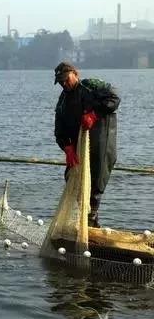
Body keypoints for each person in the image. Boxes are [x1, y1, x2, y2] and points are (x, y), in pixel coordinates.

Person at [53, 62, 120, 227]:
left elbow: (114, 98)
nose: (64, 84)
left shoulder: (90, 85)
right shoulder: (63, 100)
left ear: (75, 73)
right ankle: (87, 216)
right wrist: (66, 147)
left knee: (97, 179)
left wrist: (95, 113)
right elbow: (59, 128)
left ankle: (91, 220)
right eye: (60, 82)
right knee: (72, 177)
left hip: (101, 138)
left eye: (66, 79)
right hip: (78, 145)